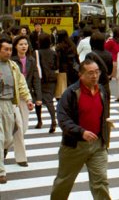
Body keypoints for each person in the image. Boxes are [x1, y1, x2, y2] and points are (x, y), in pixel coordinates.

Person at [50, 59, 109, 199]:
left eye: (97, 72)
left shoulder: (101, 90)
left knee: (101, 181)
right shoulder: (70, 93)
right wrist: (81, 132)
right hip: (74, 146)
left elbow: (103, 114)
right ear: (80, 75)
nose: (94, 76)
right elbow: (63, 120)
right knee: (64, 181)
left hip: (97, 144)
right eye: (90, 73)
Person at [1, 36, 35, 183]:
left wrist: (28, 99)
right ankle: (1, 172)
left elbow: (21, 84)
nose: (8, 52)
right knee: (0, 137)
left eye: (9, 49)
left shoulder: (13, 66)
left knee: (9, 138)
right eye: (5, 49)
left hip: (10, 104)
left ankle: (4, 151)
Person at [10, 36, 41, 167]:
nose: (24, 46)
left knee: (24, 127)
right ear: (15, 46)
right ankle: (21, 158)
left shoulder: (31, 60)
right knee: (18, 126)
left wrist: (38, 97)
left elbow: (35, 79)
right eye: (21, 44)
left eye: (25, 44)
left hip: (26, 95)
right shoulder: (11, 61)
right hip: (12, 97)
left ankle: (8, 144)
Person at [36, 33, 59, 133]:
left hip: (40, 79)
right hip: (52, 78)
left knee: (38, 100)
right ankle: (53, 120)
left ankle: (39, 121)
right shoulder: (53, 52)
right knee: (49, 100)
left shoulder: (37, 52)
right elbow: (56, 65)